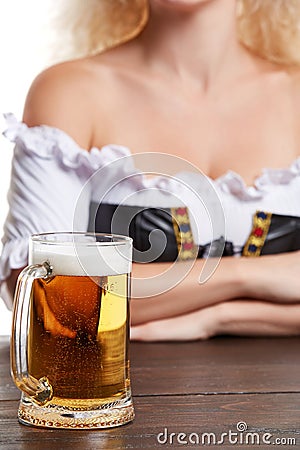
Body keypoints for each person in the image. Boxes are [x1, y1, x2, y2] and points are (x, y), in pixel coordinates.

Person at [1, 0, 300, 341]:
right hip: (114, 388)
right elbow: (41, 292)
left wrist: (220, 317)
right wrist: (252, 275)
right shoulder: (71, 91)